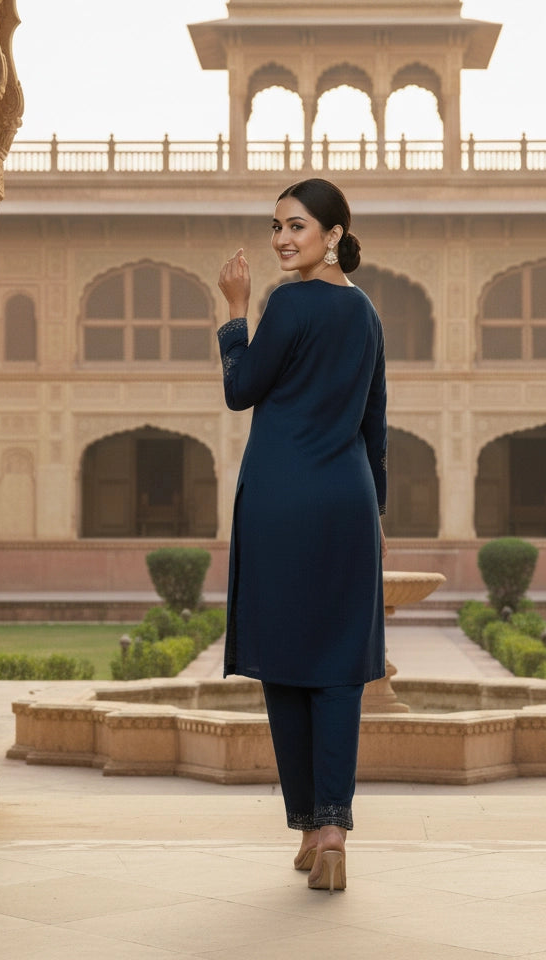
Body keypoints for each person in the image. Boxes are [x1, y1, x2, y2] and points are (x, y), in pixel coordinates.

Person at [217, 177, 387, 894]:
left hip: (282, 501)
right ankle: (333, 833)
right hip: (347, 501)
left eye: (297, 227)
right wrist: (372, 512)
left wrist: (233, 313)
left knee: (286, 663)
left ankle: (312, 827)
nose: (284, 239)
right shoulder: (367, 313)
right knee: (339, 667)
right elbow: (375, 423)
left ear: (333, 234)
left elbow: (239, 387)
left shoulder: (285, 303)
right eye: (277, 227)